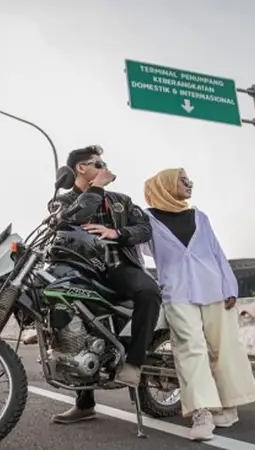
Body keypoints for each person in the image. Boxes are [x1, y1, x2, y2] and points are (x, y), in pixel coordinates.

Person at [141, 167, 255, 442]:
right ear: (167, 185)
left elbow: (217, 252)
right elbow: (137, 250)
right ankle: (201, 412)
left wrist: (230, 285)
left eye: (189, 180)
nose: (189, 184)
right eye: (184, 180)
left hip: (215, 289)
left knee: (225, 348)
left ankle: (229, 407)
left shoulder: (199, 216)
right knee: (189, 349)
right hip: (177, 293)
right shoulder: (148, 220)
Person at [48, 145, 163, 425]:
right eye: (98, 164)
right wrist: (96, 189)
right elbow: (71, 219)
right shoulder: (61, 202)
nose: (105, 168)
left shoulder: (121, 200)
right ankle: (83, 402)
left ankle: (134, 364)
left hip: (118, 266)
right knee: (59, 305)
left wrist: (118, 232)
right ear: (81, 168)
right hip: (79, 268)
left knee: (149, 291)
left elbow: (145, 228)